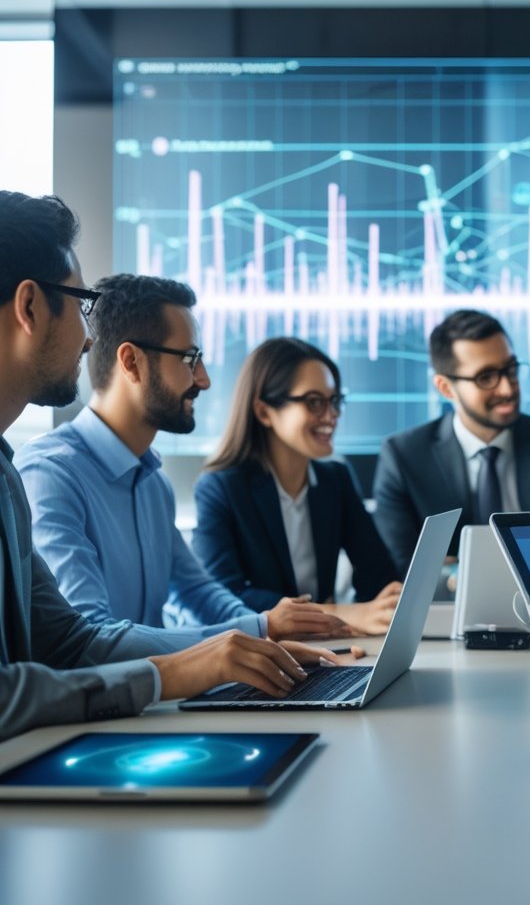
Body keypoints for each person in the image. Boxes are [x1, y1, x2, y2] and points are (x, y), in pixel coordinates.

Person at [0, 190, 354, 741]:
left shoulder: (11, 475)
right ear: (29, 307)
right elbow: (68, 652)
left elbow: (70, 642)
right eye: (78, 303)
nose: (88, 333)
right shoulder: (47, 473)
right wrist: (180, 669)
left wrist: (254, 640)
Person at [16, 273, 347, 643]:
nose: (203, 379)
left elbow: (197, 593)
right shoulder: (51, 476)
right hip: (108, 698)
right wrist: (260, 628)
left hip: (153, 694)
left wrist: (274, 640)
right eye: (190, 359)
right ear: (131, 362)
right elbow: (91, 637)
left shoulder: (153, 482)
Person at [193, 337, 400, 635]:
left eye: (335, 401)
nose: (331, 416)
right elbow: (223, 597)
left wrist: (383, 605)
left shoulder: (336, 479)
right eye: (314, 402)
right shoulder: (221, 488)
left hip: (328, 649)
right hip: (264, 653)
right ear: (264, 411)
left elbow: (378, 577)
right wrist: (338, 614)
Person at [372, 309, 530, 573]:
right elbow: (404, 568)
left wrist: (452, 567)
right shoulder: (404, 456)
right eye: (486, 377)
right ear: (446, 388)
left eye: (511, 369)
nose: (507, 388)